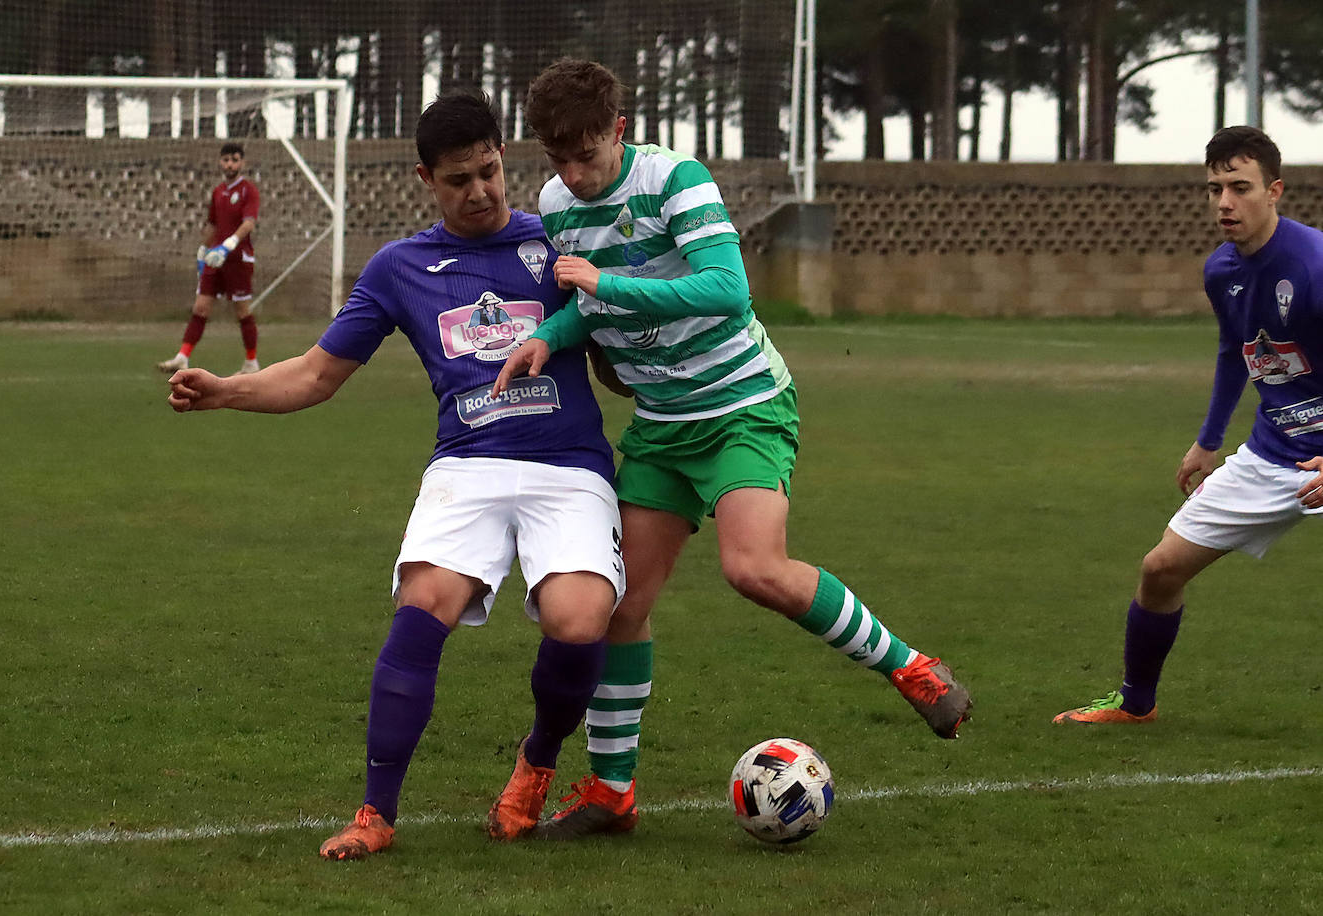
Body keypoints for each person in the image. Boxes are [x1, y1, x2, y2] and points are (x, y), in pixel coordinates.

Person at [493, 58, 972, 839]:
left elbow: (726, 291)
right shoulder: (556, 204)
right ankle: (612, 792)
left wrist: (606, 287)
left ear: (618, 129)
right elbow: (585, 305)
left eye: (587, 154)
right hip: (663, 424)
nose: (574, 175)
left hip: (743, 407)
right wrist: (549, 336)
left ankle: (911, 669)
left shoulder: (676, 179)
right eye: (558, 159)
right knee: (620, 608)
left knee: (752, 568)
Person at [166, 90, 625, 859]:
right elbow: (315, 375)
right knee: (423, 606)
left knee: (578, 624)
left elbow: (616, 354)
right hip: (467, 468)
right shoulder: (399, 267)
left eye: (487, 171)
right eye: (457, 180)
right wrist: (225, 392)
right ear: (425, 179)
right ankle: (376, 815)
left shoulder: (559, 239)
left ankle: (537, 760)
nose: (478, 191)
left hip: (569, 464)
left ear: (502, 156)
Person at [1055, 126, 1323, 725]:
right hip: (1275, 453)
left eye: (1240, 187)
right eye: (1214, 189)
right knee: (1160, 569)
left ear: (1275, 190)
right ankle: (1136, 704)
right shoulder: (1220, 271)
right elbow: (1237, 351)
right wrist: (1208, 441)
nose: (1225, 202)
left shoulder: (1315, 264)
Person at [157, 141, 262, 375]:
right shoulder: (218, 191)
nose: (230, 164)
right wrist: (203, 251)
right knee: (201, 307)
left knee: (242, 311)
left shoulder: (248, 190)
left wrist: (230, 244)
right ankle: (182, 357)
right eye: (226, 160)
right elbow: (212, 224)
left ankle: (251, 363)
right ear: (220, 162)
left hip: (237, 259)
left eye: (235, 160)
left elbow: (249, 222)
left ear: (242, 163)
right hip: (215, 259)